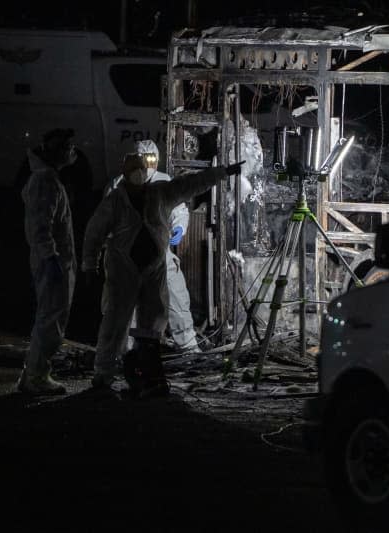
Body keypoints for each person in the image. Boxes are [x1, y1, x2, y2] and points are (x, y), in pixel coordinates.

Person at [82, 153, 242, 393]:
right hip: (123, 269)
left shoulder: (159, 192)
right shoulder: (115, 199)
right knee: (116, 322)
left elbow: (192, 183)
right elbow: (94, 234)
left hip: (153, 268)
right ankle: (104, 374)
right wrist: (89, 264)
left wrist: (222, 172)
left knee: (152, 323)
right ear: (125, 177)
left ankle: (147, 374)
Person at [107, 140, 200, 353]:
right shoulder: (119, 185)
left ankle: (188, 345)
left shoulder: (163, 182)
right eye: (143, 160)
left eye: (152, 160)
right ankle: (124, 350)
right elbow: (104, 221)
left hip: (159, 253)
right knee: (126, 306)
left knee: (176, 296)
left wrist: (179, 228)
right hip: (128, 256)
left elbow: (180, 210)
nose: (148, 166)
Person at [18, 128, 78, 395]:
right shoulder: (45, 182)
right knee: (51, 320)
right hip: (52, 261)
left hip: (52, 260)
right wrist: (50, 257)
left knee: (48, 317)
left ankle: (33, 372)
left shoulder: (48, 179)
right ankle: (37, 376)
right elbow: (40, 227)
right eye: (67, 147)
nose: (72, 152)